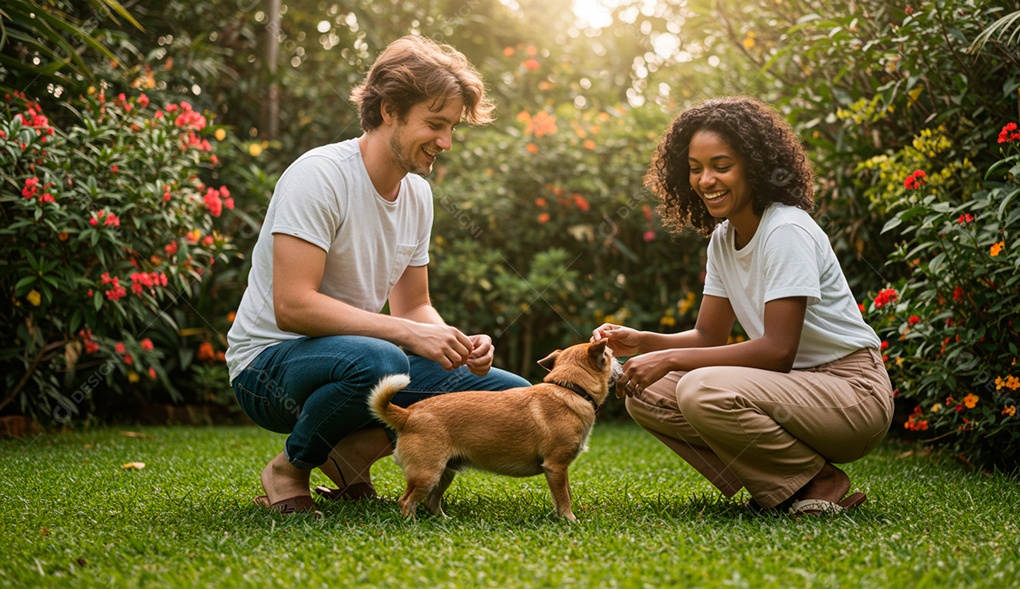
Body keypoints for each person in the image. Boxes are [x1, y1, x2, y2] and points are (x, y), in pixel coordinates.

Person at [226, 35, 529, 514]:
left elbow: (414, 306)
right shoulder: (319, 176)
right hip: (268, 367)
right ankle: (290, 467)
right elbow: (293, 304)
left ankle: (350, 455)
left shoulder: (417, 196)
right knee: (384, 360)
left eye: (451, 128)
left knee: (513, 401)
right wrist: (406, 334)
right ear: (389, 109)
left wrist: (454, 341)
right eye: (435, 124)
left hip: (359, 359)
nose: (446, 143)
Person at [592, 96, 893, 516]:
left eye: (721, 165)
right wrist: (642, 341)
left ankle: (822, 482)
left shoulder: (785, 229)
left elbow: (777, 350)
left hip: (851, 394)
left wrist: (670, 358)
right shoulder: (723, 238)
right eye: (695, 169)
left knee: (700, 388)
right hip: (793, 390)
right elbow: (707, 336)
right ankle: (784, 487)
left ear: (753, 165)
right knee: (647, 393)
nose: (705, 180)